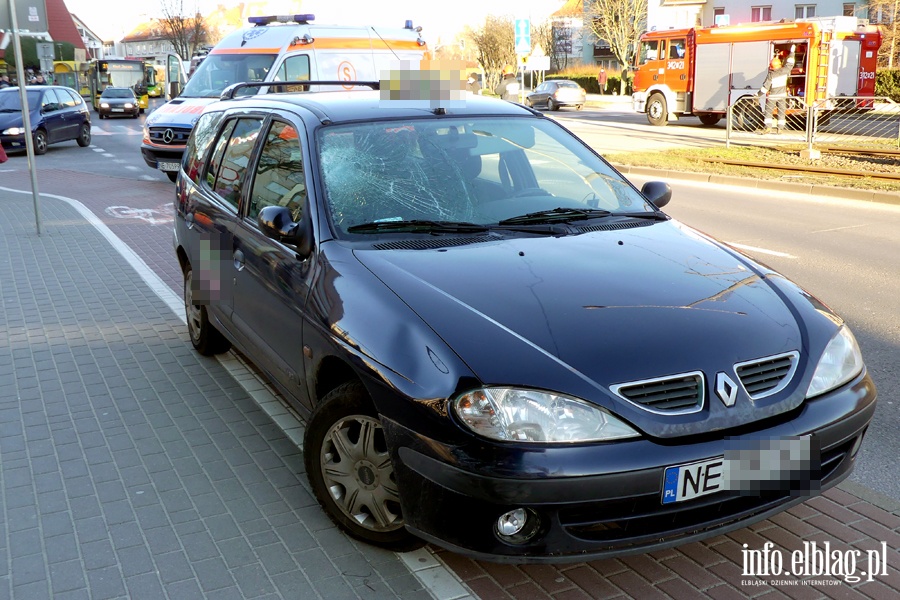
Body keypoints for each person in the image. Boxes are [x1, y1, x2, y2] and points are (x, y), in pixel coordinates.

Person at [758, 44, 796, 134]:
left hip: (772, 96)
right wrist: (792, 52)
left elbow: (765, 87)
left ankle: (767, 128)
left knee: (768, 112)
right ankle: (780, 129)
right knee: (781, 112)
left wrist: (758, 95)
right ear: (780, 64)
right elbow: (790, 64)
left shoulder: (771, 74)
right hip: (782, 95)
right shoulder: (785, 71)